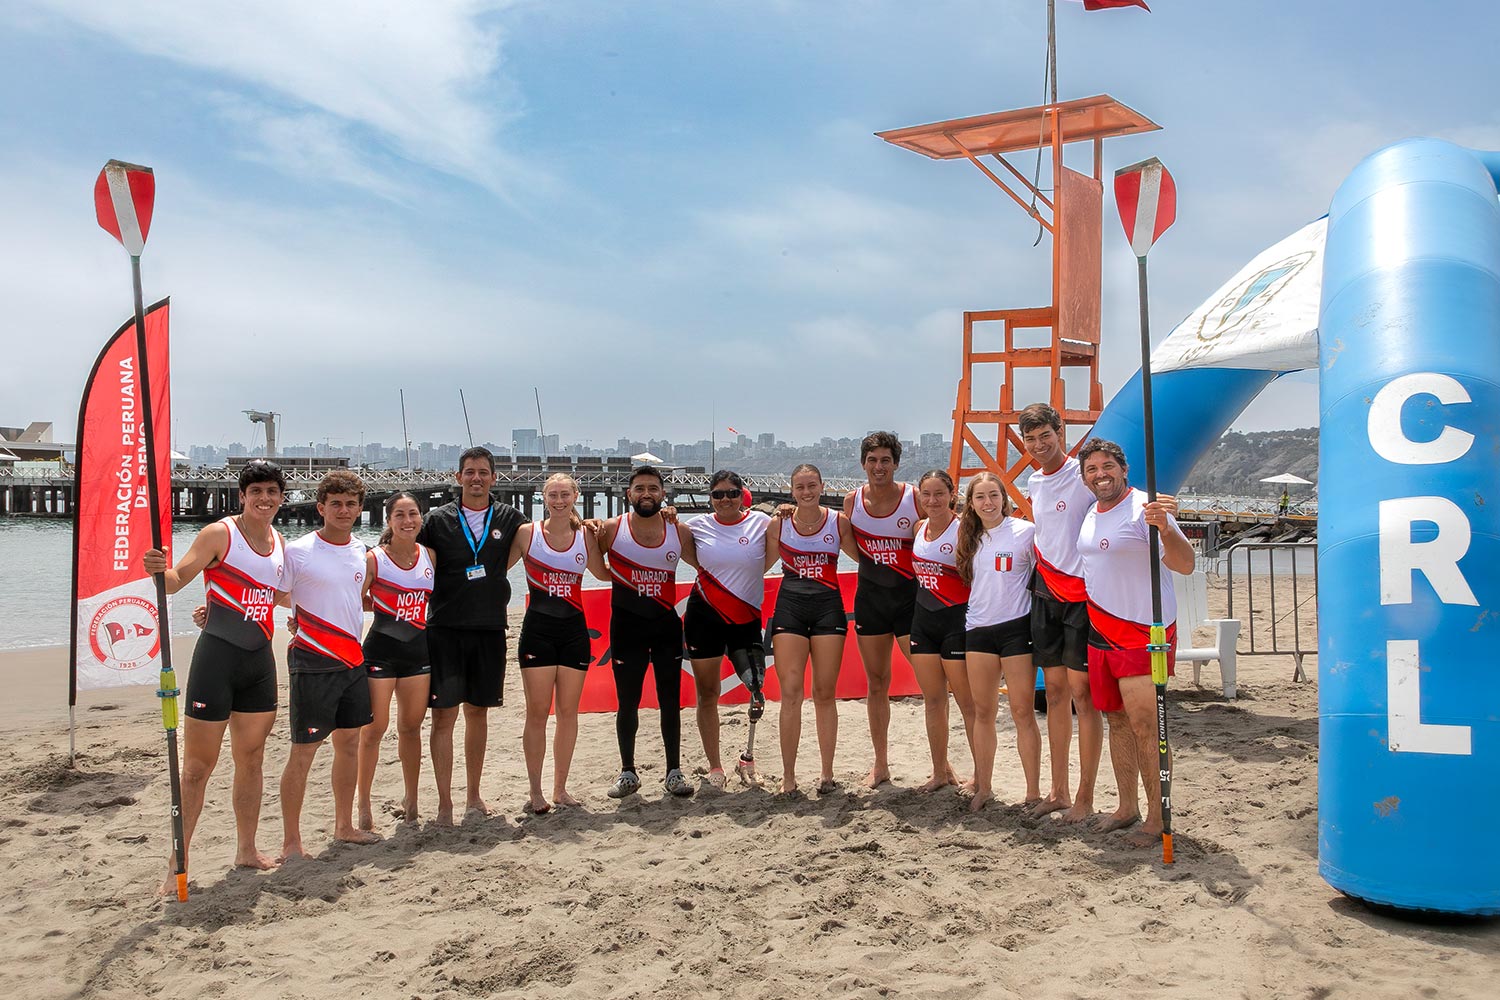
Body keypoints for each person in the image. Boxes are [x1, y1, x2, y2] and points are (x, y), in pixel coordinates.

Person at [141, 460, 287, 891]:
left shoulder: (280, 542)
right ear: (242, 496)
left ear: (281, 498)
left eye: (271, 492)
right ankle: (177, 864)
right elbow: (175, 581)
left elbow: (274, 595)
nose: (264, 499)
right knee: (196, 769)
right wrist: (157, 568)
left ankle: (247, 850)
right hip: (216, 662)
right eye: (256, 491)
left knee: (252, 760)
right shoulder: (219, 534)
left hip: (259, 664)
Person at [1075, 439, 1195, 846]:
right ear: (1084, 477)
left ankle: (1158, 817)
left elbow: (1185, 564)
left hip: (1142, 631)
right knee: (1116, 721)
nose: (1100, 475)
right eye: (1092, 469)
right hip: (1100, 630)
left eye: (1107, 466)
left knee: (1146, 725)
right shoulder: (1092, 512)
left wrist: (1166, 527)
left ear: (1124, 469)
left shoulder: (1146, 508)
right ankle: (1126, 807)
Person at [416, 446, 526, 824]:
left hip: (489, 628)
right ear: (458, 477)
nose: (476, 478)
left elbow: (550, 534)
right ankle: (445, 803)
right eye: (469, 472)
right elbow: (400, 555)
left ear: (494, 478)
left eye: (482, 472)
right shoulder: (435, 520)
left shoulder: (510, 518)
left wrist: (587, 525)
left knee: (478, 713)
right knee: (443, 717)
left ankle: (474, 796)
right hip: (444, 628)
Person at [278, 470, 378, 859]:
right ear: (320, 507)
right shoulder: (299, 550)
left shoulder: (361, 551)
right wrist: (303, 614)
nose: (343, 510)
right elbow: (274, 594)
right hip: (312, 659)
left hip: (352, 658)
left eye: (351, 504)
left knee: (349, 744)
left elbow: (353, 597)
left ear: (360, 508)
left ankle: (344, 825)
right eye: (335, 503)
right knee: (304, 750)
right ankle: (291, 841)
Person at [1019, 402, 1101, 823]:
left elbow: (1117, 506)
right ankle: (1059, 791)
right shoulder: (1034, 481)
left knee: (1083, 697)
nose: (1039, 445)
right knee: (1054, 695)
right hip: (1045, 593)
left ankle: (1086, 796)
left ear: (1060, 432)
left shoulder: (1083, 476)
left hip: (1082, 597)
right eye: (1031, 439)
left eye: (1045, 436)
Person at [594, 466, 697, 799]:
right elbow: (593, 566)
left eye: (653, 488)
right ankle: (628, 773)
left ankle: (673, 772)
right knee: (628, 702)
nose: (647, 494)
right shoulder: (612, 529)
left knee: (670, 700)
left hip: (666, 626)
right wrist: (584, 526)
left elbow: (708, 564)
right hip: (627, 627)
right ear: (629, 494)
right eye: (640, 488)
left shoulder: (678, 531)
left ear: (663, 494)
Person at [509, 473, 608, 813]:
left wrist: (634, 555)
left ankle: (560, 789)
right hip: (537, 633)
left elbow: (604, 574)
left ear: (576, 496)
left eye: (565, 494)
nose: (559, 500)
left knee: (568, 714)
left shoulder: (586, 536)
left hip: (574, 634)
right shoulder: (527, 534)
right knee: (537, 714)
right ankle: (535, 791)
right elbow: (495, 568)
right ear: (544, 498)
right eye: (553, 494)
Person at [682, 470, 775, 790]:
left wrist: (787, 510)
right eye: (718, 494)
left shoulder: (761, 523)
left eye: (732, 493)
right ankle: (715, 766)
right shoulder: (695, 525)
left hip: (745, 618)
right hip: (703, 616)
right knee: (708, 693)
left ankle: (747, 757)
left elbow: (775, 550)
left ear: (742, 495)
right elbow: (674, 545)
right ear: (710, 498)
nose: (725, 500)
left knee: (756, 688)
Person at [766, 464, 852, 794]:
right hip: (790, 609)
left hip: (828, 609)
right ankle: (788, 777)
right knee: (791, 694)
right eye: (800, 487)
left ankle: (827, 774)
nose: (806, 492)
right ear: (791, 491)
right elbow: (756, 563)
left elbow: (867, 557)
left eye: (812, 485)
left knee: (825, 693)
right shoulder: (779, 523)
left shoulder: (838, 522)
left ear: (821, 486)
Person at [955, 471, 1037, 812]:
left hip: (1017, 629)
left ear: (1004, 499)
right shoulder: (967, 536)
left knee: (1022, 711)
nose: (987, 502)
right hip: (978, 630)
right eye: (980, 497)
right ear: (971, 504)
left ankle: (1032, 793)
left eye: (993, 495)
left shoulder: (1025, 532)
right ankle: (984, 787)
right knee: (983, 712)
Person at [842, 430, 919, 788]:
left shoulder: (913, 498)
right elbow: (853, 549)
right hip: (871, 601)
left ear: (896, 464)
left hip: (910, 601)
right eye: (872, 460)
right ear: (863, 464)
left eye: (885, 460)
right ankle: (881, 763)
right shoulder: (852, 501)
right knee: (877, 683)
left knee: (932, 683)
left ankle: (942, 764)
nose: (878, 466)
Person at [356, 492, 434, 831]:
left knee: (411, 728)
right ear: (388, 520)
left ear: (421, 518)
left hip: (418, 652)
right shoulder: (374, 559)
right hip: (380, 652)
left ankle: (411, 800)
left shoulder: (429, 555)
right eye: (399, 515)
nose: (407, 521)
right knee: (374, 729)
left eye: (413, 514)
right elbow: (352, 599)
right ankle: (363, 805)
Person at [908, 469, 978, 793]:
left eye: (939, 494)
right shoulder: (918, 528)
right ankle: (940, 772)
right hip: (923, 623)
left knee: (967, 703)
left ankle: (981, 775)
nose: (932, 500)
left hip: (956, 622)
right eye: (926, 494)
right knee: (933, 700)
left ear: (952, 495)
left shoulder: (964, 529)